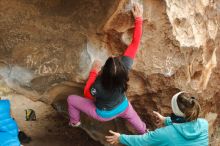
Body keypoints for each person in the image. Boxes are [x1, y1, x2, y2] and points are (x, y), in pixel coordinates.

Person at [67, 3, 147, 134]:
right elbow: (135, 44)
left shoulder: (98, 85)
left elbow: (87, 93)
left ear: (104, 71)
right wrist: (138, 19)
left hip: (103, 114)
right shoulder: (124, 70)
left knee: (71, 99)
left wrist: (93, 72)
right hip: (123, 107)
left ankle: (75, 121)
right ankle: (145, 132)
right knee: (134, 119)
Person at [106, 91, 209, 146]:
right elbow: (183, 126)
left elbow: (143, 141)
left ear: (175, 112)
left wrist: (120, 138)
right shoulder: (204, 124)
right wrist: (166, 120)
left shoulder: (165, 134)